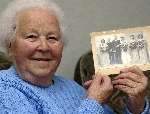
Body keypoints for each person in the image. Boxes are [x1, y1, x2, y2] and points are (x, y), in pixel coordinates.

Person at [0, 0, 149, 114]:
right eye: (31, 36)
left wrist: (136, 105)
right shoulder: (4, 89)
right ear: (10, 45)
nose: (44, 47)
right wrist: (93, 102)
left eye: (52, 38)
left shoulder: (73, 88)